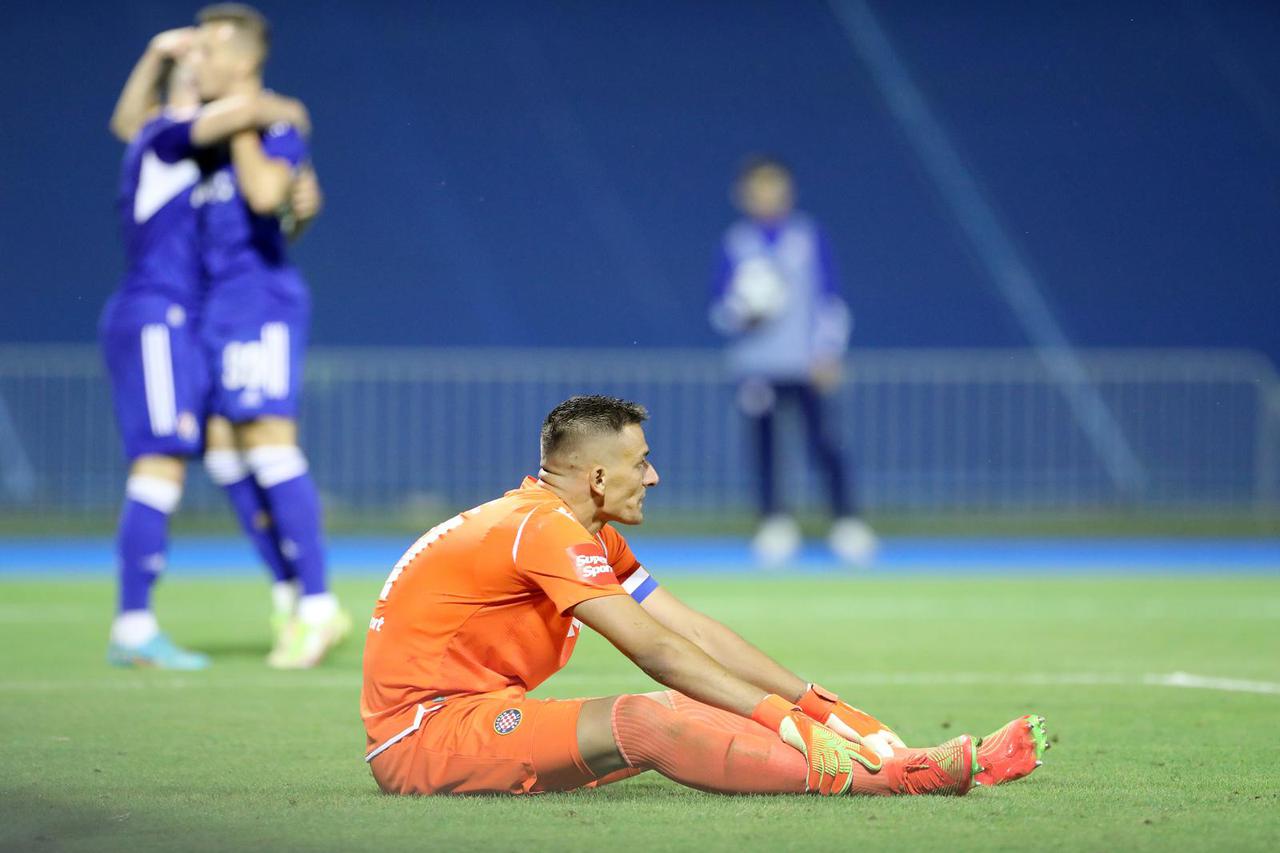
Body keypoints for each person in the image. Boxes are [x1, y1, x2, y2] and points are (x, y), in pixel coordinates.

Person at [361, 395, 1047, 797]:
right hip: (425, 738)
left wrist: (819, 704)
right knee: (646, 719)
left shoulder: (571, 525)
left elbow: (691, 631)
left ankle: (894, 758)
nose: (654, 476)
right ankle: (899, 778)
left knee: (697, 699)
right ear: (598, 476)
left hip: (473, 714)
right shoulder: (539, 529)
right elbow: (655, 649)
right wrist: (785, 721)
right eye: (641, 462)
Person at [101, 26, 320, 669]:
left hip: (185, 317)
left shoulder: (186, 147)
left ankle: (289, 592)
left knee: (217, 441)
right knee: (161, 462)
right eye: (192, 73)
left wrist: (300, 195)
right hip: (156, 313)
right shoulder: (168, 133)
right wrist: (288, 111)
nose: (200, 78)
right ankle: (134, 624)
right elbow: (242, 115)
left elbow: (271, 194)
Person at [187, 3, 349, 668]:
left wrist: (248, 117)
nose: (197, 59)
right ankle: (288, 590)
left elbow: (263, 197)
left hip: (258, 302)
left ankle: (317, 606)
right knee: (222, 446)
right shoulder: (196, 131)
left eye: (208, 48)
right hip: (208, 305)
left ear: (244, 60)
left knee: (267, 437)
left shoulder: (273, 122)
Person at [710, 157, 877, 566]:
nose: (767, 196)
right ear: (743, 195)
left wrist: (828, 352)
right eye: (758, 188)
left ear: (788, 191)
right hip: (757, 366)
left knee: (824, 440)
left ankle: (846, 523)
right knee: (764, 447)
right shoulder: (736, 243)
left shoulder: (807, 236)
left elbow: (830, 299)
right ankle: (774, 523)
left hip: (805, 364)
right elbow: (720, 309)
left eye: (775, 187)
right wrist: (743, 311)